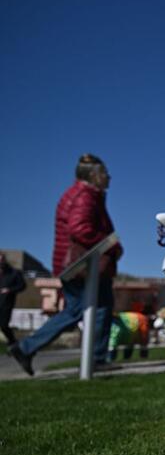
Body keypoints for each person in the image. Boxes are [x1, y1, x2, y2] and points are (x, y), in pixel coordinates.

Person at [9, 154, 123, 376]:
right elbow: (80, 228)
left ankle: (26, 348)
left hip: (75, 267)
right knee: (96, 309)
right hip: (83, 268)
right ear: (94, 175)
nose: (109, 177)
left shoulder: (84, 195)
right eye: (105, 173)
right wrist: (110, 246)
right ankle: (96, 358)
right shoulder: (85, 196)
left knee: (79, 310)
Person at [0, 252, 26, 348]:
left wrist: (9, 290)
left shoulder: (14, 272)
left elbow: (22, 286)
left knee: (3, 325)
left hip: (6, 303)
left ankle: (13, 343)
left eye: (1, 260)